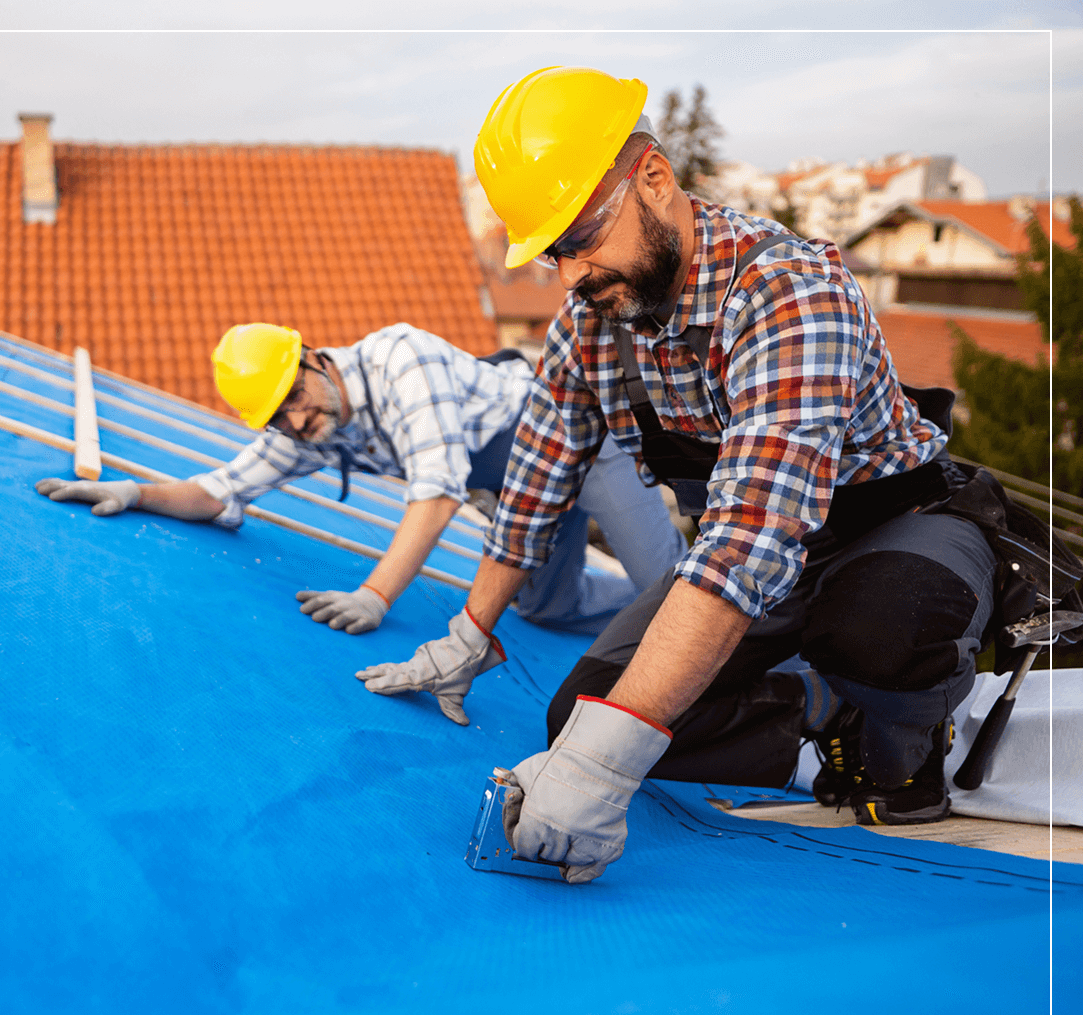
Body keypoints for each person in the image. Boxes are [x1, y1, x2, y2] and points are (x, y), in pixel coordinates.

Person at [357, 66, 998, 881]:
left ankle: (905, 741)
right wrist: (470, 632)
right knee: (578, 715)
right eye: (552, 252)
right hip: (768, 555)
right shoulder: (593, 323)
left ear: (653, 179)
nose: (569, 275)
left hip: (896, 527)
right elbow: (536, 483)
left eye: (580, 237)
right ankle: (824, 710)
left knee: (882, 628)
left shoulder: (789, 295)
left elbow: (747, 542)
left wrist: (604, 767)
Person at [36, 321, 686, 679]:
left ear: (316, 360)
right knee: (548, 608)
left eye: (295, 398)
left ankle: (746, 686)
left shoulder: (401, 360)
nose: (295, 421)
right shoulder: (315, 426)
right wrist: (136, 491)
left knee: (677, 593)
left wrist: (374, 596)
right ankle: (637, 614)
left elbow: (437, 493)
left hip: (578, 443)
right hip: (519, 488)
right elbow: (218, 491)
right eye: (278, 417)